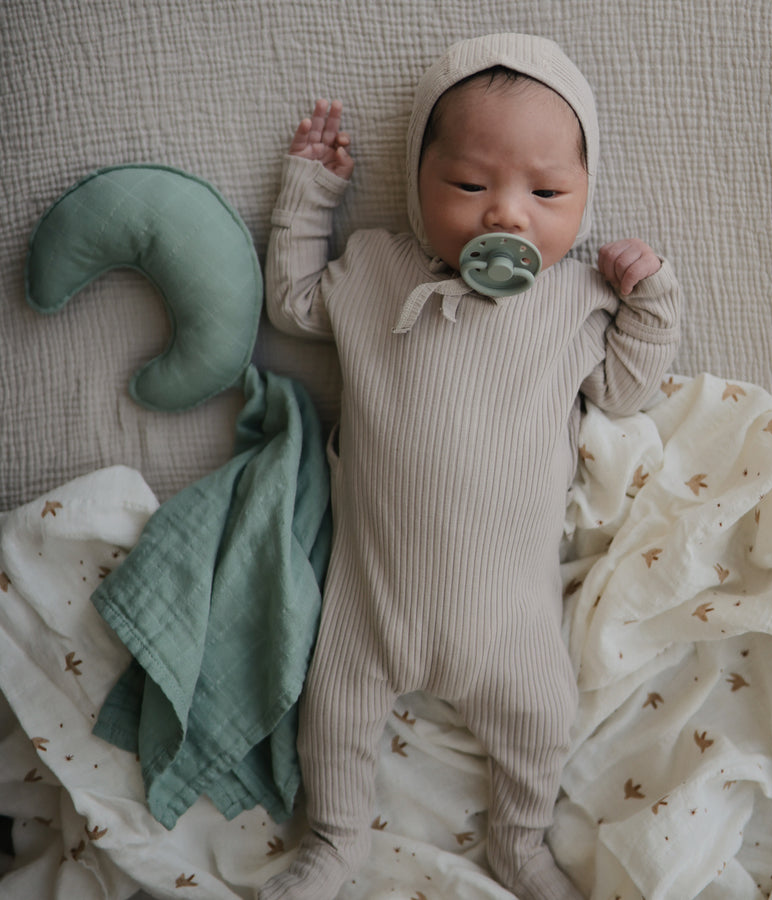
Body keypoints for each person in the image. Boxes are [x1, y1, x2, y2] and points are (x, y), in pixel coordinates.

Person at [260, 33, 681, 900]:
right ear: (419, 183)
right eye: (468, 185)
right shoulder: (376, 269)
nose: (507, 216)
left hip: (510, 618)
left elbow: (627, 389)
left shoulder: (574, 299)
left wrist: (651, 301)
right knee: (330, 710)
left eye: (547, 192)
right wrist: (311, 194)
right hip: (373, 599)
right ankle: (335, 838)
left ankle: (519, 842)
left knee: (542, 716)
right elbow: (294, 305)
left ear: (586, 195)